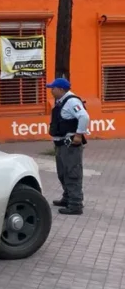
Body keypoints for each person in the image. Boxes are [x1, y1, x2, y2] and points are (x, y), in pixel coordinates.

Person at [47, 78, 89, 215]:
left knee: (72, 174)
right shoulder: (61, 101)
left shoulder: (72, 101)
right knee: (62, 173)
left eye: (53, 88)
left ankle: (75, 204)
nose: (51, 91)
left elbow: (84, 117)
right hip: (61, 144)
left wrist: (78, 135)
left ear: (61, 89)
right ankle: (68, 198)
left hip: (70, 144)